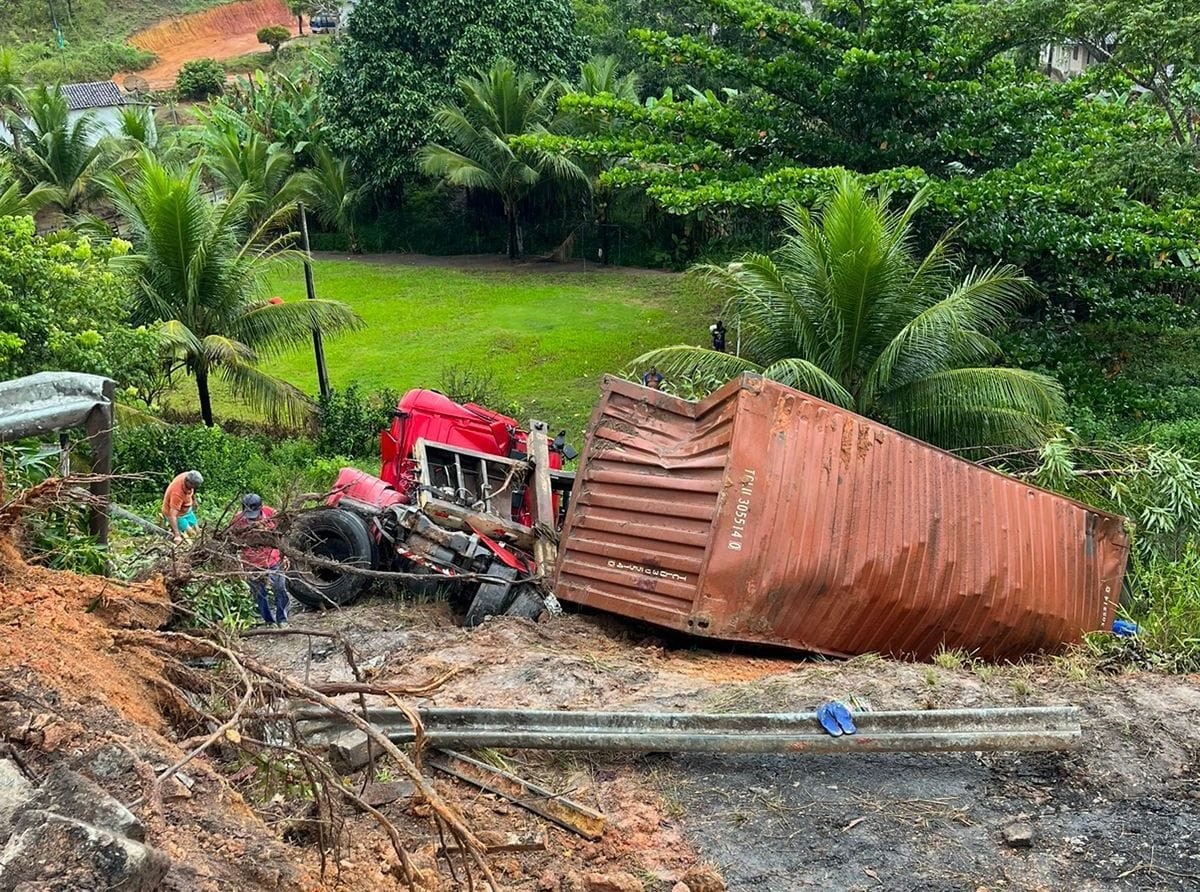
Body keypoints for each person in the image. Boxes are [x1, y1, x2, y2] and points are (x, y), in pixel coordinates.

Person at [231, 493, 289, 627]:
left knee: (279, 587)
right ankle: (269, 620)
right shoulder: (236, 521)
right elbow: (232, 543)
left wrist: (284, 554)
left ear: (261, 508)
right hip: (251, 562)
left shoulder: (271, 514)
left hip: (272, 557)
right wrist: (237, 564)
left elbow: (281, 535)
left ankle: (282, 619)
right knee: (259, 593)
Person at [162, 470, 203, 543]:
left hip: (187, 511)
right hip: (178, 515)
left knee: (198, 532)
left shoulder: (189, 476)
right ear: (187, 481)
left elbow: (193, 489)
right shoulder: (177, 493)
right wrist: (177, 535)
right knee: (192, 535)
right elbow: (173, 515)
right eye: (193, 486)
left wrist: (194, 500)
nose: (194, 488)